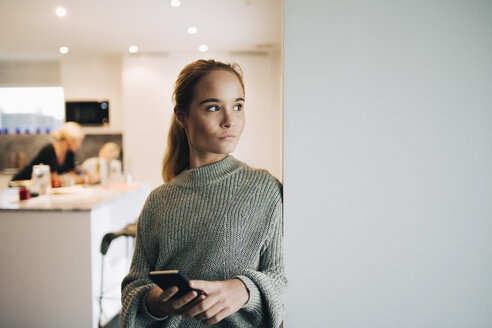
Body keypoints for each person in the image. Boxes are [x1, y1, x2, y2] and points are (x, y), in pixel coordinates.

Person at [121, 59, 286, 328]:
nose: (229, 120)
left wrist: (243, 289)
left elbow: (283, 278)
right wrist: (157, 301)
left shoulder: (265, 189)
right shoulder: (159, 200)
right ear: (182, 116)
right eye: (213, 107)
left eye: (238, 106)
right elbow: (133, 286)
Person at [11, 121, 93, 184]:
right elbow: (54, 179)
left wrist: (84, 175)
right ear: (70, 140)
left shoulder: (70, 153)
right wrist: (86, 179)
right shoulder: (50, 150)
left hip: (39, 189)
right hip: (21, 184)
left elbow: (70, 174)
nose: (80, 145)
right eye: (79, 141)